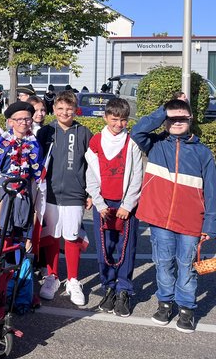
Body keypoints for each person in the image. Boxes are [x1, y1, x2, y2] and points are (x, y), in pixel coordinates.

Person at [132, 99, 216, 333]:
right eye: (172, 118)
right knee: (163, 264)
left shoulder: (203, 153)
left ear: (191, 120)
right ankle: (165, 303)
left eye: (182, 118)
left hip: (191, 221)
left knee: (186, 266)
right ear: (166, 120)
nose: (177, 122)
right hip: (160, 221)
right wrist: (164, 109)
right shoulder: (156, 145)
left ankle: (187, 309)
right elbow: (137, 130)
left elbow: (212, 191)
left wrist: (210, 225)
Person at [85, 98, 143, 317]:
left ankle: (124, 290)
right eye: (114, 119)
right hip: (103, 206)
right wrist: (99, 203)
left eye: (123, 120)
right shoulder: (96, 142)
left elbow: (137, 175)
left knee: (126, 249)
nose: (119, 124)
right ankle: (108, 286)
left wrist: (128, 205)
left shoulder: (132, 143)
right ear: (106, 117)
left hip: (125, 205)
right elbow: (89, 174)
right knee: (105, 249)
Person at [36, 90, 92, 307]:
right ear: (54, 109)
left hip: (74, 195)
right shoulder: (46, 132)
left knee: (72, 237)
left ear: (75, 109)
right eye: (60, 108)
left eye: (69, 109)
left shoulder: (84, 132)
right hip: (49, 193)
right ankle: (51, 276)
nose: (64, 112)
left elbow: (92, 167)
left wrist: (89, 193)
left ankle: (73, 280)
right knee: (51, 236)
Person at [0, 101, 44, 244]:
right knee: (0, 227)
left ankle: (17, 263)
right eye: (19, 119)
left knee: (21, 228)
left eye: (27, 119)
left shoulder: (34, 143)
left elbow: (38, 170)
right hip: (5, 188)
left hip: (25, 189)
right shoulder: (3, 141)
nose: (24, 122)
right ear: (10, 122)